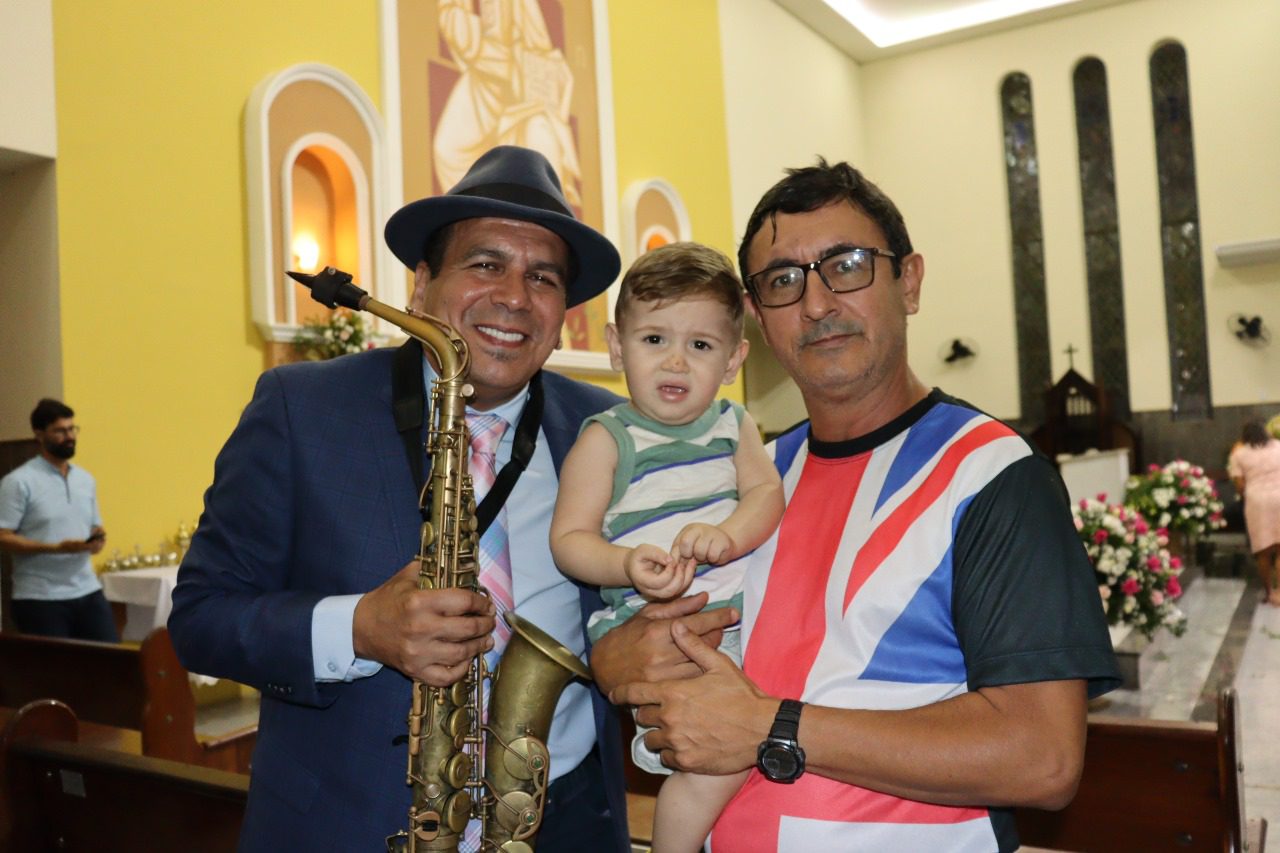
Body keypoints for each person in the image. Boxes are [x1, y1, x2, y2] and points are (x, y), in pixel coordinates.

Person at [170, 146, 728, 851]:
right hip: (350, 826)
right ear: (421, 285)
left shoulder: (615, 429)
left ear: (563, 315)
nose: (515, 296)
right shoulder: (300, 407)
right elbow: (202, 617)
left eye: (543, 277)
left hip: (566, 826)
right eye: (485, 264)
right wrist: (360, 628)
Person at [596, 159, 1121, 851]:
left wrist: (772, 726)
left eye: (847, 265)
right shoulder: (748, 480)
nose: (816, 304)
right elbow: (640, 636)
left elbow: (1042, 758)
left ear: (910, 282)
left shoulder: (991, 473)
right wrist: (615, 659)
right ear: (758, 319)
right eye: (783, 280)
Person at [550, 242, 785, 852]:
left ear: (733, 359)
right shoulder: (607, 439)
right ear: (616, 346)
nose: (676, 361)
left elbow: (767, 493)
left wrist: (729, 535)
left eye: (700, 345)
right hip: (665, 634)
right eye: (654, 339)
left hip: (753, 621)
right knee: (714, 765)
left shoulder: (735, 424)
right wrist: (627, 563)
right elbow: (570, 541)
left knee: (778, 741)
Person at [0, 398, 115, 641]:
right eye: (60, 431)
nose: (69, 436)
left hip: (87, 589)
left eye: (72, 429)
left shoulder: (85, 479)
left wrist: (96, 539)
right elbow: (3, 536)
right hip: (40, 597)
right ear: (39, 434)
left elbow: (95, 524)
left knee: (111, 660)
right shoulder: (19, 482)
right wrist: (56, 548)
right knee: (55, 666)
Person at [1228, 420, 1280, 606]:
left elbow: (1240, 485)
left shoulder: (1239, 454)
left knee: (1262, 551)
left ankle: (1268, 592)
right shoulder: (1278, 446)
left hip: (1257, 502)